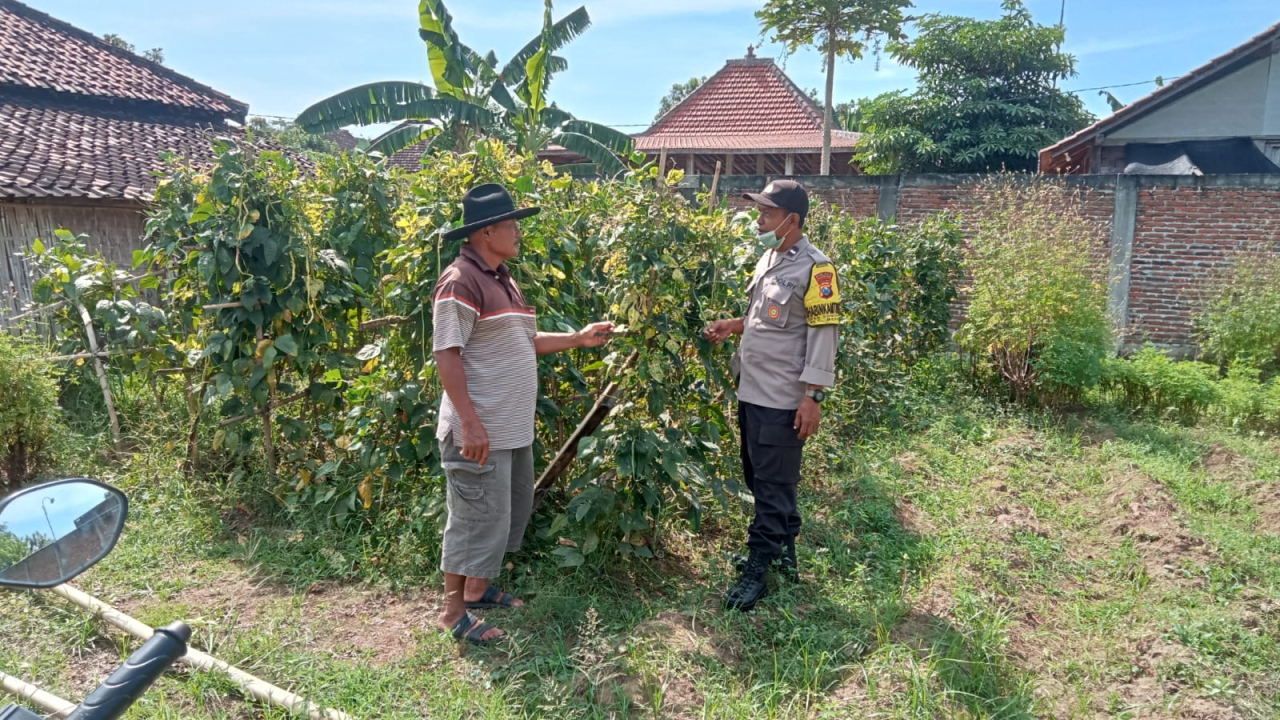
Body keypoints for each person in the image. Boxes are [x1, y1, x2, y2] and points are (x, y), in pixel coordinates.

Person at [432, 183, 613, 644]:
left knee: (503, 513)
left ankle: (477, 590)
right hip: (480, 429)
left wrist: (577, 337)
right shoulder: (461, 281)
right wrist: (469, 422)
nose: (518, 233)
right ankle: (452, 613)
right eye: (512, 225)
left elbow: (521, 342)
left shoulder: (500, 277)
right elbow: (447, 354)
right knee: (473, 517)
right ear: (486, 231)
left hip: (508, 427)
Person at [703, 180, 840, 612]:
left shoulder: (818, 270)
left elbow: (823, 335)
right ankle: (785, 556)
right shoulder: (770, 257)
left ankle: (757, 570)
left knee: (773, 486)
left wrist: (813, 397)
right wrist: (733, 324)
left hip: (784, 398)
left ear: (791, 220)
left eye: (766, 213)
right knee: (764, 480)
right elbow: (767, 318)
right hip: (753, 390)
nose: (759, 220)